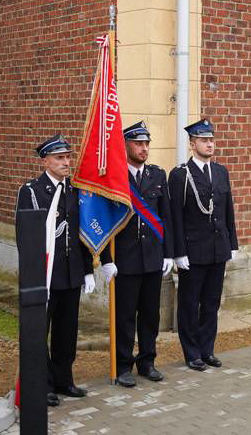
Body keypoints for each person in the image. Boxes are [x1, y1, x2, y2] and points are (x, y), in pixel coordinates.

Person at [15, 134, 94, 407]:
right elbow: (25, 239)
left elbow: (81, 233)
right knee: (41, 332)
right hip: (46, 276)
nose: (66, 162)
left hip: (71, 274)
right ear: (45, 160)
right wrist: (34, 276)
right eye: (59, 158)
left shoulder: (75, 190)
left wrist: (87, 271)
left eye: (67, 157)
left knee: (67, 332)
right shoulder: (32, 191)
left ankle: (64, 380)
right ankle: (44, 384)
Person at [100, 121, 174, 387]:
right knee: (125, 317)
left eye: (146, 144)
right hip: (125, 260)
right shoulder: (115, 178)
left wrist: (168, 253)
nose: (144, 149)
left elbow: (166, 216)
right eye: (138, 144)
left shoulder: (157, 175)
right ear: (126, 146)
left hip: (153, 258)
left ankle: (147, 361)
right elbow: (105, 221)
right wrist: (106, 261)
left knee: (150, 315)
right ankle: (122, 366)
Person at [168, 119, 238, 371]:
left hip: (218, 248)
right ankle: (192, 352)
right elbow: (174, 216)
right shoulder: (179, 176)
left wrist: (232, 243)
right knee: (189, 303)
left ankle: (207, 349)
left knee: (211, 302)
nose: (209, 144)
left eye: (211, 140)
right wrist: (177, 252)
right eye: (203, 140)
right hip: (192, 251)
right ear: (192, 143)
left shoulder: (220, 172)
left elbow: (228, 209)